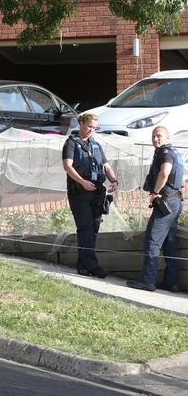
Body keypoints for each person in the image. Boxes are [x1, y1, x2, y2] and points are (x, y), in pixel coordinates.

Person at [127, 126, 184, 292]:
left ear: (167, 137)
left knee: (152, 241)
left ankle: (147, 281)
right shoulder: (176, 152)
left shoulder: (165, 153)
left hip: (165, 203)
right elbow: (181, 181)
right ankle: (171, 283)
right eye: (153, 136)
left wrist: (155, 192)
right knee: (169, 243)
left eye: (159, 136)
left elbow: (164, 173)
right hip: (175, 202)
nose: (155, 139)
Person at [62, 113, 118, 278]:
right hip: (79, 192)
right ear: (81, 123)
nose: (91, 130)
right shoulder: (71, 143)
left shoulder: (96, 145)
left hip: (97, 193)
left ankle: (83, 266)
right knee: (85, 228)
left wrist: (114, 180)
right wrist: (82, 182)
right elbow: (67, 166)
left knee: (93, 229)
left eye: (94, 128)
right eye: (89, 127)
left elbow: (106, 166)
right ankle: (92, 266)